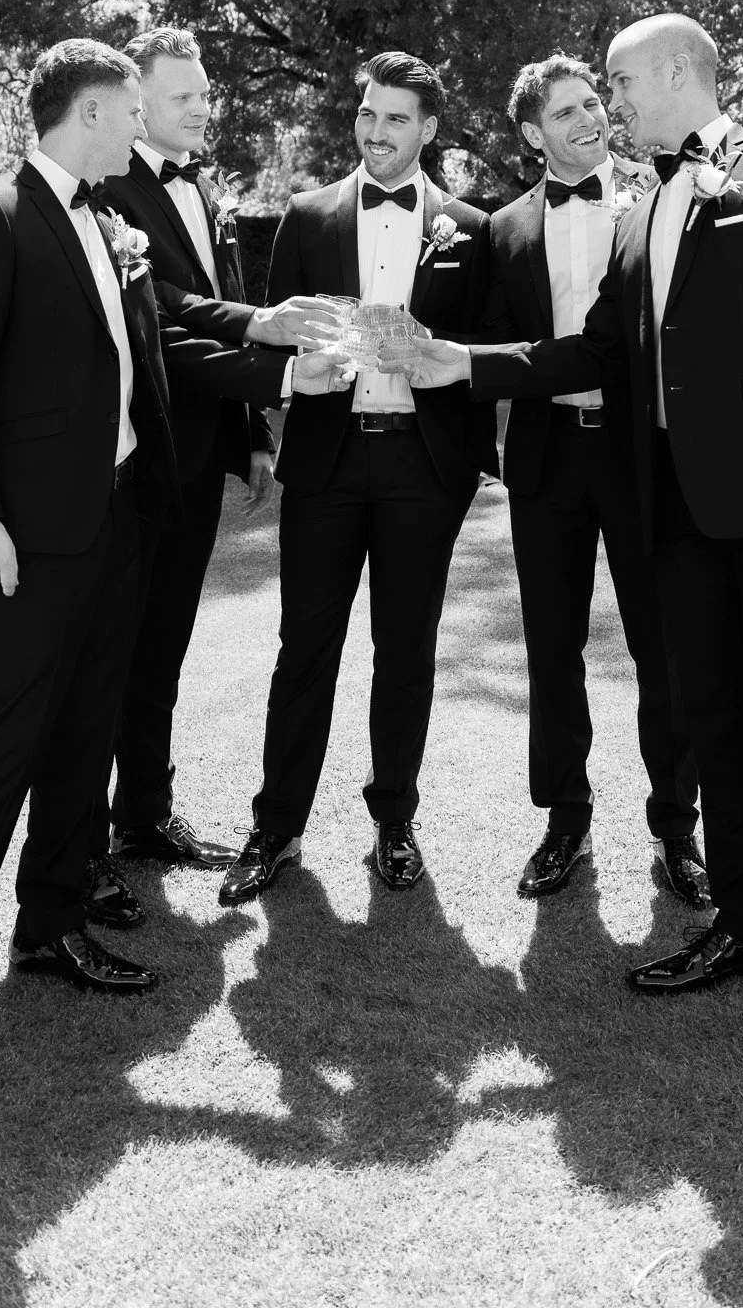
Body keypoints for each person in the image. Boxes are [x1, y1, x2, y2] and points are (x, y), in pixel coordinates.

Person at [383, 15, 743, 1071]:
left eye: (620, 80)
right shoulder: (646, 207)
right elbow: (597, 347)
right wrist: (460, 365)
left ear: (676, 73)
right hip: (675, 520)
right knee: (718, 722)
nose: (611, 102)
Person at [0, 37, 347, 1062]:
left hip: (121, 521)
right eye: (134, 106)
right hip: (33, 533)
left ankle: (52, 920)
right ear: (94, 110)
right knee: (11, 734)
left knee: (85, 727)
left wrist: (275, 362)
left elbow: (170, 336)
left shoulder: (109, 220)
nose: (146, 122)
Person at [218, 50, 499, 905]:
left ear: (428, 129)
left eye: (395, 120)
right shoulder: (305, 217)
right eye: (367, 115)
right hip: (327, 465)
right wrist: (271, 421)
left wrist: (435, 357)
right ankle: (276, 829)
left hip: (423, 466)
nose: (376, 133)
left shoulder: (471, 229)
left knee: (404, 653)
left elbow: (487, 350)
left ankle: (394, 823)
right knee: (303, 650)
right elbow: (267, 337)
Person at [93, 24, 342, 886]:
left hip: (204, 454)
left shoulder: (203, 189)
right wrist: (275, 369)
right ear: (135, 106)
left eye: (205, 93)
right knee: (116, 648)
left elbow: (224, 298)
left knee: (162, 643)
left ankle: (145, 816)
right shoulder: (105, 190)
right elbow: (160, 318)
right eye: (184, 96)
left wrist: (257, 437)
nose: (204, 108)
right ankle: (91, 837)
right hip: (141, 454)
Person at [482, 55, 704, 904]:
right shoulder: (500, 229)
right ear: (533, 133)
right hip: (545, 461)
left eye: (592, 105)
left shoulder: (659, 201)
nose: (590, 119)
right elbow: (497, 350)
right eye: (566, 112)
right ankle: (563, 819)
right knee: (551, 650)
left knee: (664, 649)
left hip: (642, 455)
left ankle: (675, 828)